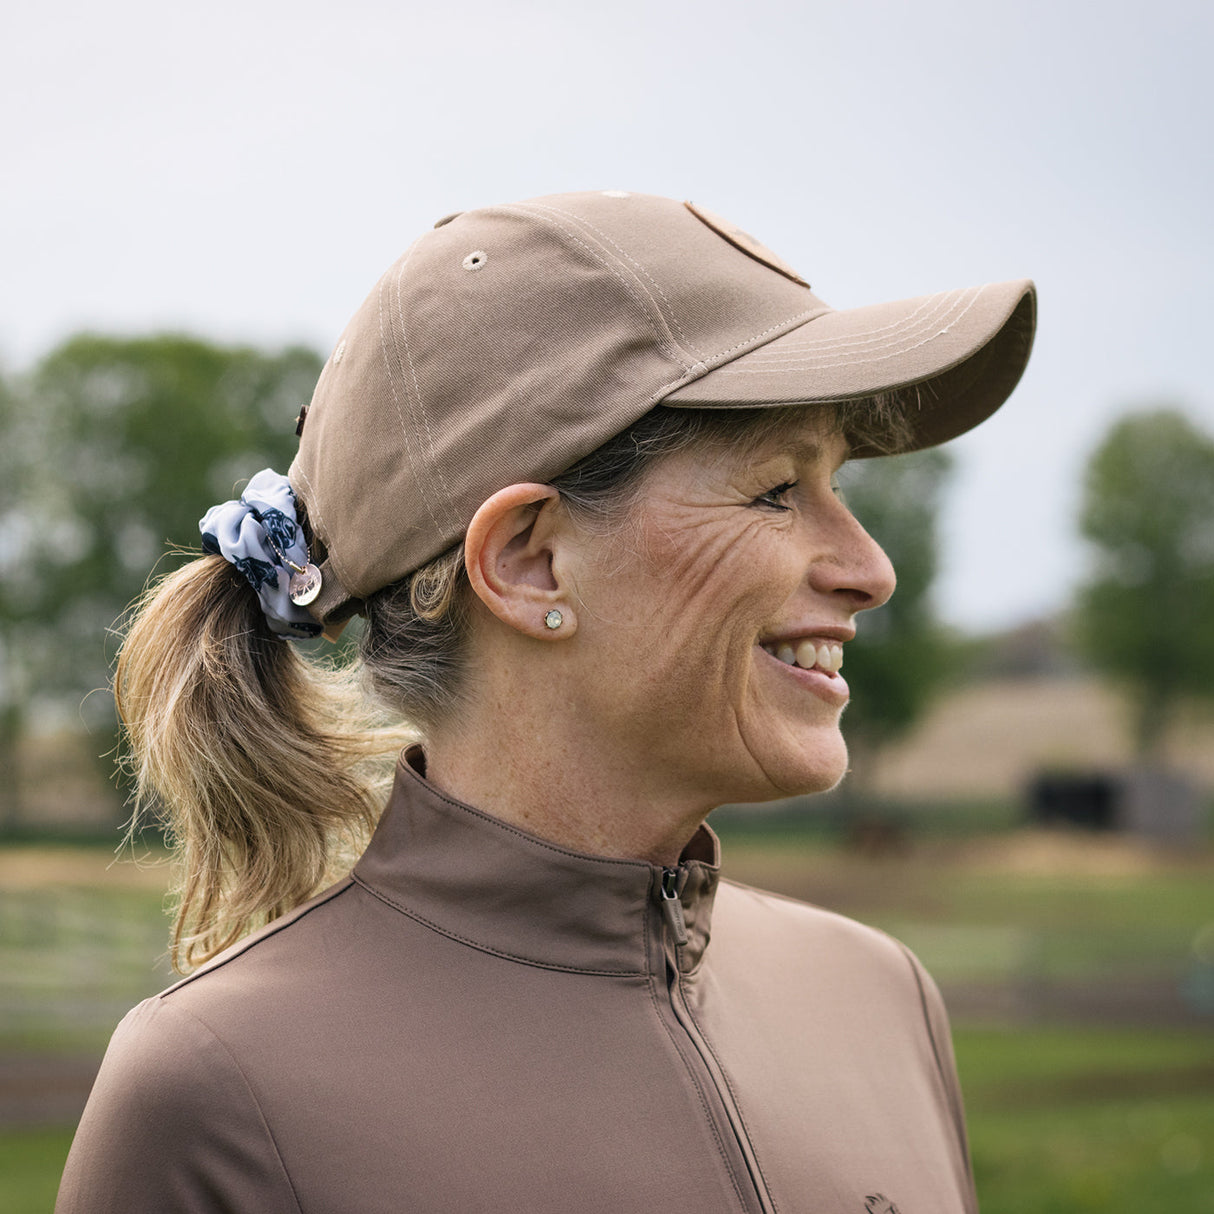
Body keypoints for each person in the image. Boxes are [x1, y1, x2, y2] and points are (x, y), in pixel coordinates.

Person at [56, 191, 1035, 1213]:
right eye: (775, 489)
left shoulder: (879, 998)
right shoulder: (218, 1091)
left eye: (839, 486)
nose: (868, 567)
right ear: (530, 562)